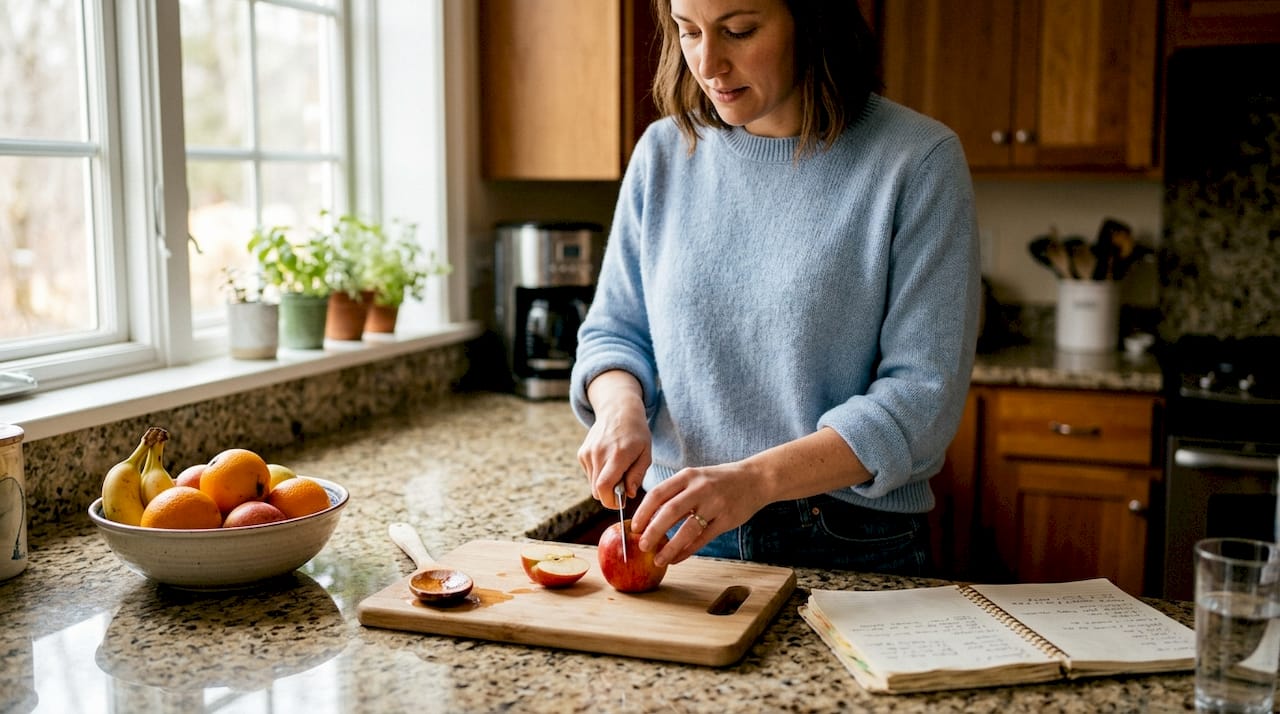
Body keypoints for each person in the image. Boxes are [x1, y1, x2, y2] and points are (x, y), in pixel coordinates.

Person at [570, 0, 980, 577]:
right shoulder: (662, 153)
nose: (708, 63)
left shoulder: (918, 162)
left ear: (813, 21)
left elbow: (920, 400)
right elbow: (616, 331)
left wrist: (756, 480)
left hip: (850, 540)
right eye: (689, 32)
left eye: (739, 31)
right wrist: (619, 408)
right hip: (679, 533)